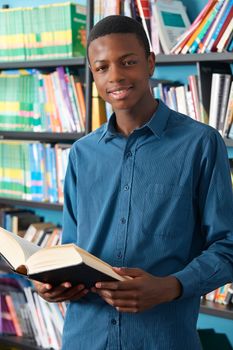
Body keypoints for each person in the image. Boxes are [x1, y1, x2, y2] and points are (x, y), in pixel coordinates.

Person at [35, 15, 233, 350]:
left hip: (162, 338)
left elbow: (227, 247)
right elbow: (71, 249)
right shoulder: (82, 154)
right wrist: (55, 283)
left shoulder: (201, 144)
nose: (115, 76)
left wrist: (170, 286)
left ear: (150, 63)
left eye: (128, 62)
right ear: (93, 76)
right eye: (102, 68)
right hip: (85, 337)